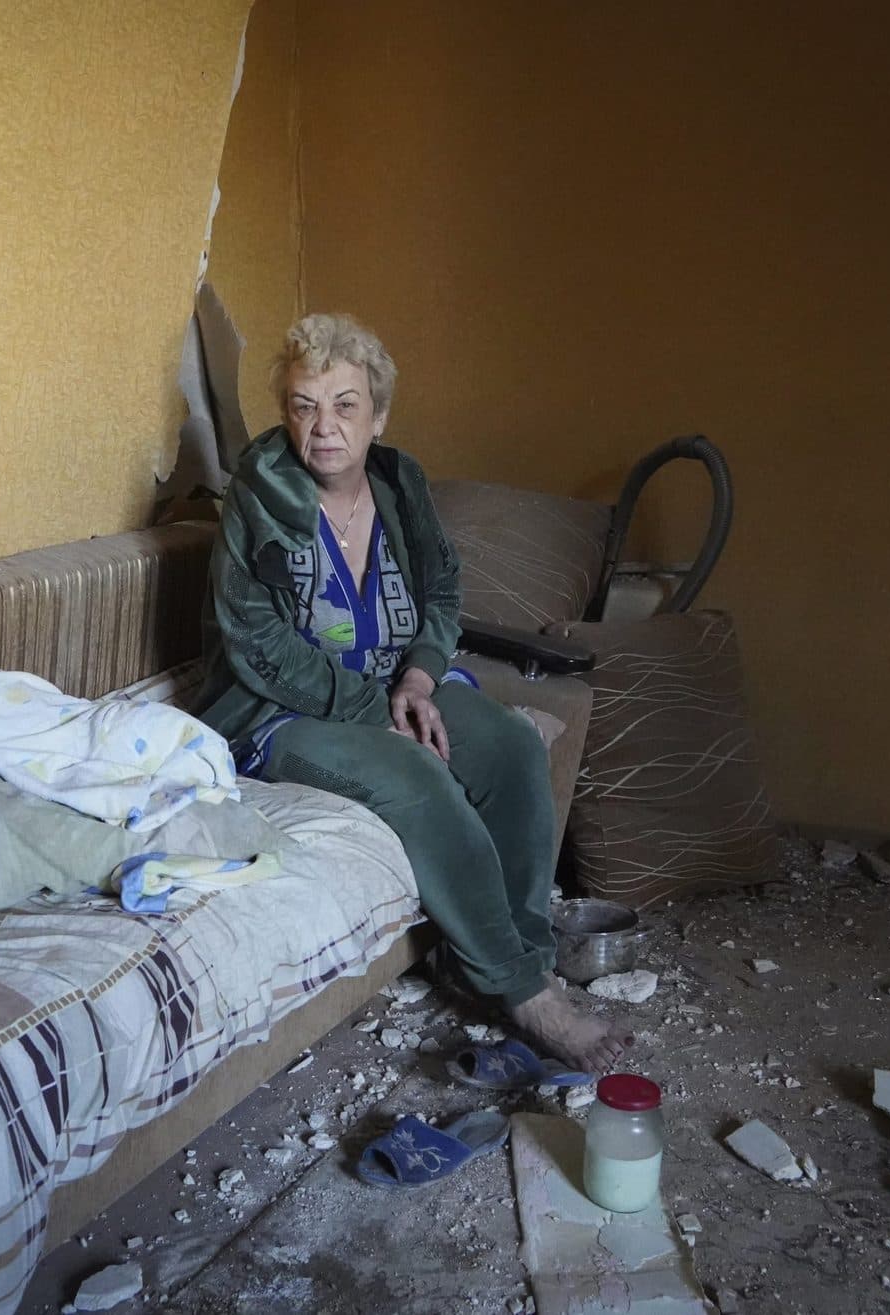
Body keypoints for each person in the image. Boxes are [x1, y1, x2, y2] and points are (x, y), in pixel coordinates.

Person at [194, 313, 629, 1072]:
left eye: (345, 405)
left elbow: (443, 589)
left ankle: (508, 957)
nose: (323, 427)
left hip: (398, 677)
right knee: (417, 775)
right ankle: (528, 994)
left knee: (510, 747)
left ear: (379, 415)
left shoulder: (401, 483)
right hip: (281, 708)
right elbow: (258, 643)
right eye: (303, 405)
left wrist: (421, 678)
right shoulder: (256, 498)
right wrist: (380, 712)